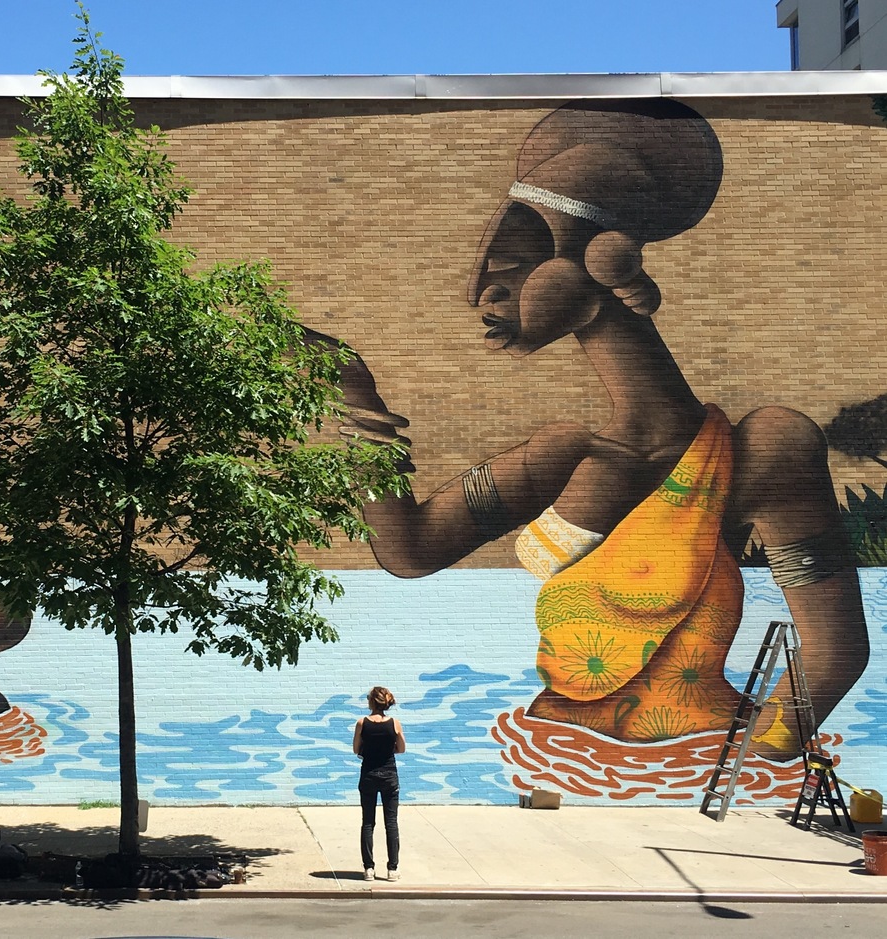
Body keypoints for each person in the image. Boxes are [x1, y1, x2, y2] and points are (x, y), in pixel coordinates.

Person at [338, 99, 868, 756]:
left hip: (681, 772)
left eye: (520, 261)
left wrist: (760, 753)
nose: (486, 293)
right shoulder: (561, 453)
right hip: (551, 756)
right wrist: (353, 393)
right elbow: (409, 549)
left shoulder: (764, 454)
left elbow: (836, 650)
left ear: (603, 259)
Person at [353, 685, 405, 882]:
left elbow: (356, 749)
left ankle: (368, 868)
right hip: (390, 776)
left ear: (372, 702)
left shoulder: (361, 723)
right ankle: (392, 869)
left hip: (368, 776)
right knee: (391, 823)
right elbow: (401, 748)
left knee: (368, 823)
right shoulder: (395, 724)